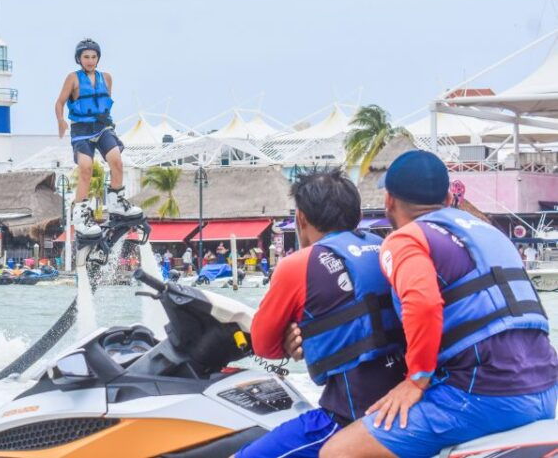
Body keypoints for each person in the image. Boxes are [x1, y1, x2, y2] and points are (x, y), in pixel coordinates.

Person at [321, 150, 558, 458]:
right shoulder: (491, 233)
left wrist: (416, 380)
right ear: (448, 199)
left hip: (484, 393)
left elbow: (423, 304)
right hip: (545, 387)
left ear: (389, 200)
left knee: (338, 452)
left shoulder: (405, 239)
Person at [236, 168, 406, 458]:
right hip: (406, 406)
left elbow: (263, 345)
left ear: (301, 218)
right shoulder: (386, 248)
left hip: (347, 419)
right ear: (356, 213)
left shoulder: (298, 264)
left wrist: (294, 338)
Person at [54, 38, 142, 237]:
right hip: (81, 130)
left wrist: (109, 126)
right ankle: (81, 216)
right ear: (79, 58)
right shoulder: (73, 78)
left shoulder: (107, 78)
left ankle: (117, 203)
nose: (90, 60)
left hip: (102, 128)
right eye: (86, 57)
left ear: (98, 58)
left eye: (94, 57)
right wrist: (61, 121)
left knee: (116, 161)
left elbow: (104, 103)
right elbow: (59, 102)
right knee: (85, 169)